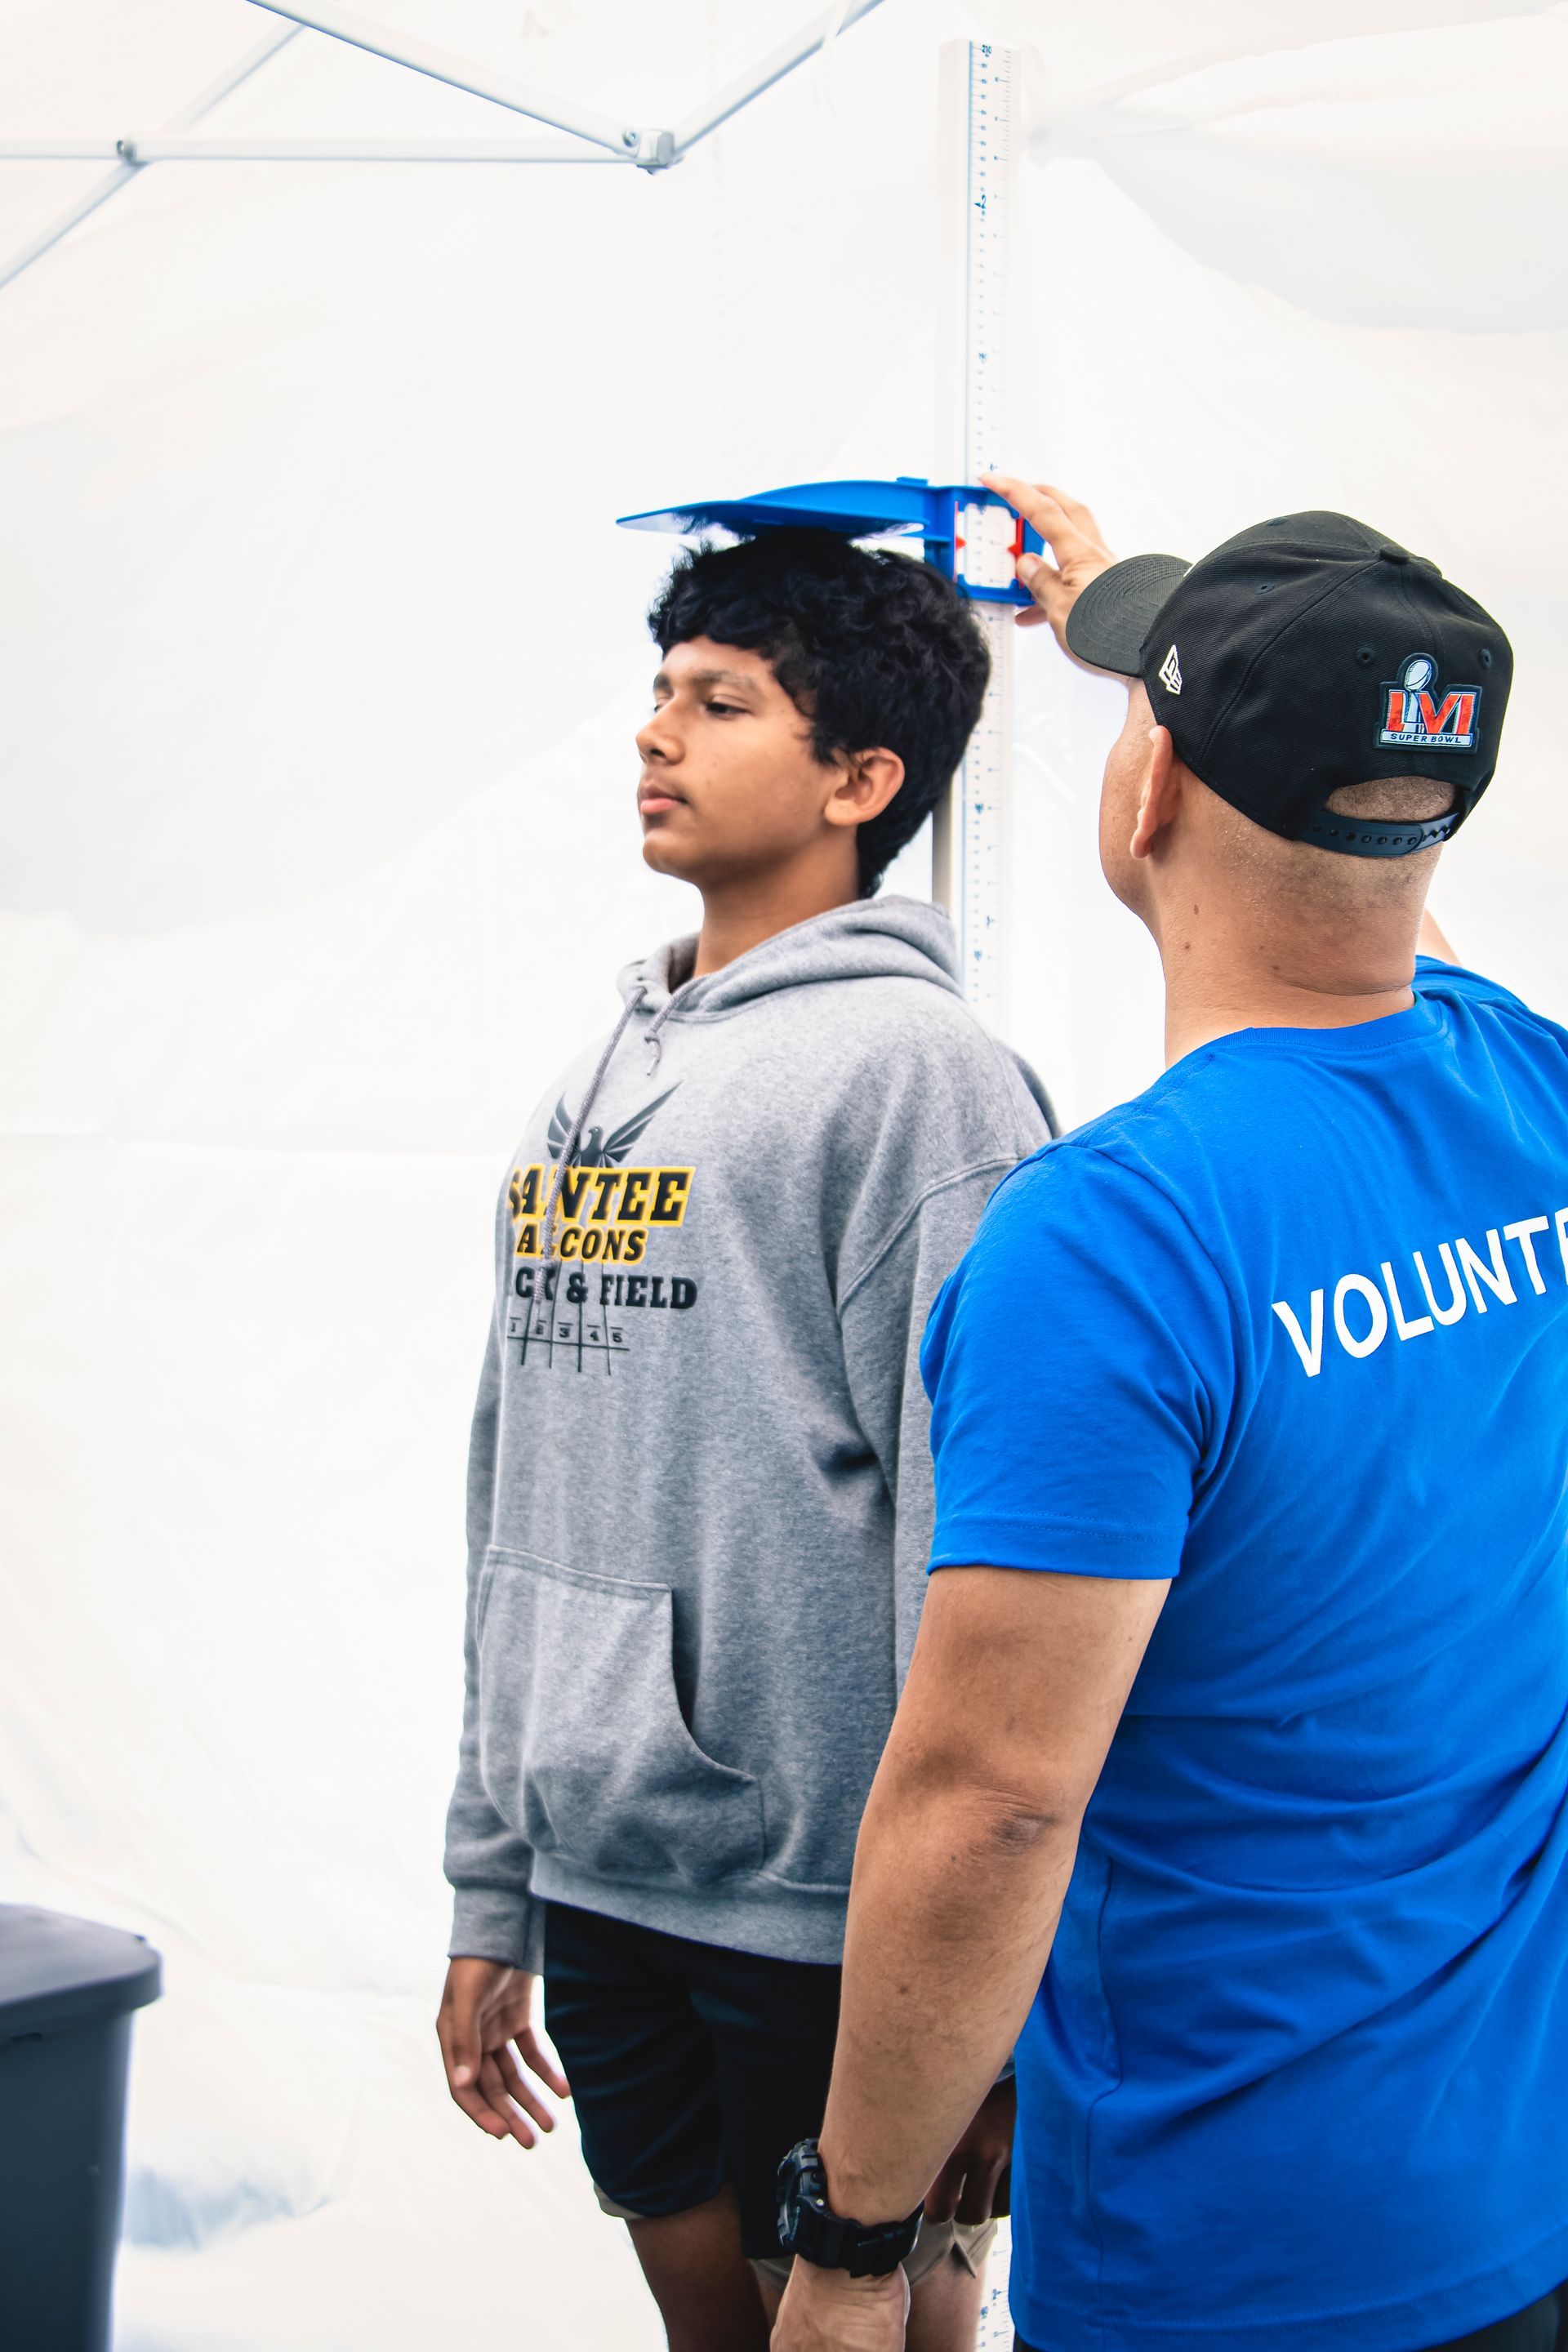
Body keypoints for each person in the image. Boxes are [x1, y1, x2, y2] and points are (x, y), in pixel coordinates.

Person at [773, 486, 1568, 2352]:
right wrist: (1126, 620)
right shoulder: (1528, 1093)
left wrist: (853, 2249)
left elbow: (990, 1805)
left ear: (1146, 798)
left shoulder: (1116, 1238)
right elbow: (1374, 854)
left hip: (1243, 2251)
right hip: (1512, 2189)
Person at [436, 526, 1054, 2352]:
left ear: (865, 780)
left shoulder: (927, 1081)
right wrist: (494, 1876)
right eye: (658, 695)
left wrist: (979, 1968)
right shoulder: (598, 1074)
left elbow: (982, 1532)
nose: (659, 736)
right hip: (600, 1870)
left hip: (828, 1910)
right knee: (713, 2327)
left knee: (881, 2326)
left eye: (721, 703)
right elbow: (513, 1476)